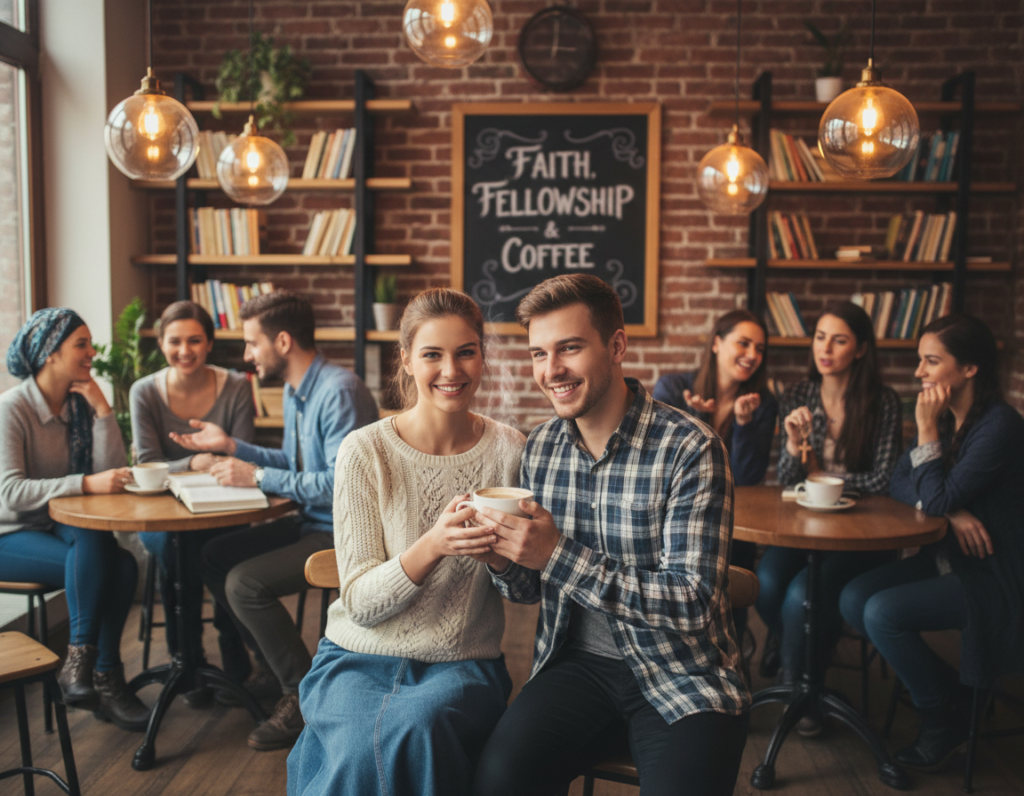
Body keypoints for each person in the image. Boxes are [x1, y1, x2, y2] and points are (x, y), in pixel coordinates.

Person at [472, 274, 749, 796]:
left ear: (616, 345)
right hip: (576, 667)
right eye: (538, 354)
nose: (550, 371)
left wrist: (556, 554)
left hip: (683, 673)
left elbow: (692, 604)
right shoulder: (542, 448)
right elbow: (529, 590)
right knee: (496, 781)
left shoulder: (691, 448)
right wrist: (501, 557)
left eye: (569, 348)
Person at [287, 288, 525, 796]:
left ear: (483, 356)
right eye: (432, 354)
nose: (451, 370)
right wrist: (433, 544)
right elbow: (360, 605)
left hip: (462, 660)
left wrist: (500, 562)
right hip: (355, 656)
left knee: (417, 726)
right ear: (407, 360)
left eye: (466, 351)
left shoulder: (510, 450)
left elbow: (526, 588)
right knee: (360, 743)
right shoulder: (364, 450)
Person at [170, 291, 378, 750]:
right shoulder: (294, 389)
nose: (247, 356)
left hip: (342, 531)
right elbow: (293, 460)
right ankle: (273, 661)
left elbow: (336, 485)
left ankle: (300, 692)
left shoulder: (338, 390)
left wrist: (257, 475)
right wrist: (231, 447)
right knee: (214, 556)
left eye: (251, 343)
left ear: (282, 341)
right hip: (310, 519)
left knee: (244, 583)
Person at [840, 314, 1024, 771]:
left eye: (931, 361)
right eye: (920, 361)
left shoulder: (999, 426)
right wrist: (953, 510)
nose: (919, 372)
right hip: (946, 559)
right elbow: (900, 482)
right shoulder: (950, 420)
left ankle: (940, 723)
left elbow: (932, 493)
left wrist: (925, 434)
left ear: (969, 369)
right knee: (852, 597)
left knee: (882, 613)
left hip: (991, 575)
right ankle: (955, 694)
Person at [755, 301, 901, 733]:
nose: (826, 348)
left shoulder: (884, 401)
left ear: (859, 349)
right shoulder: (797, 394)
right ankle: (795, 648)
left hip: (862, 530)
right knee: (766, 585)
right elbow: (786, 477)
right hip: (804, 524)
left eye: (839, 339)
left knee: (803, 593)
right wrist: (794, 443)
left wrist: (818, 473)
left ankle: (801, 691)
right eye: (820, 336)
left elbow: (884, 478)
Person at [0, 308, 149, 731]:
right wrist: (83, 483)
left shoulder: (78, 405)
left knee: (115, 558)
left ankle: (88, 670)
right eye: (80, 344)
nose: (91, 351)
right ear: (50, 353)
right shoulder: (11, 409)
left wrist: (103, 410)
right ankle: (100, 673)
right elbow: (9, 494)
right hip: (10, 534)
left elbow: (113, 472)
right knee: (111, 562)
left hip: (57, 527)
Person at [129, 300, 255, 699]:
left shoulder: (235, 386)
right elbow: (147, 464)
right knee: (173, 546)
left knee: (220, 546)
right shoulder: (144, 392)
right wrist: (198, 460)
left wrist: (182, 463)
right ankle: (187, 658)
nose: (185, 350)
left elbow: (238, 454)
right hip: (163, 513)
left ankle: (230, 642)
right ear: (161, 343)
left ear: (210, 342)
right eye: (175, 341)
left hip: (224, 506)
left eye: (195, 340)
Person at [652, 309, 778, 655]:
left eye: (760, 349)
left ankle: (731, 650)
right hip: (670, 516)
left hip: (730, 522)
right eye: (744, 343)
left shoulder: (761, 403)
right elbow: (660, 464)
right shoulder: (674, 387)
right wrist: (697, 420)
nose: (753, 355)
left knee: (733, 562)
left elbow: (746, 478)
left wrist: (744, 425)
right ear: (718, 344)